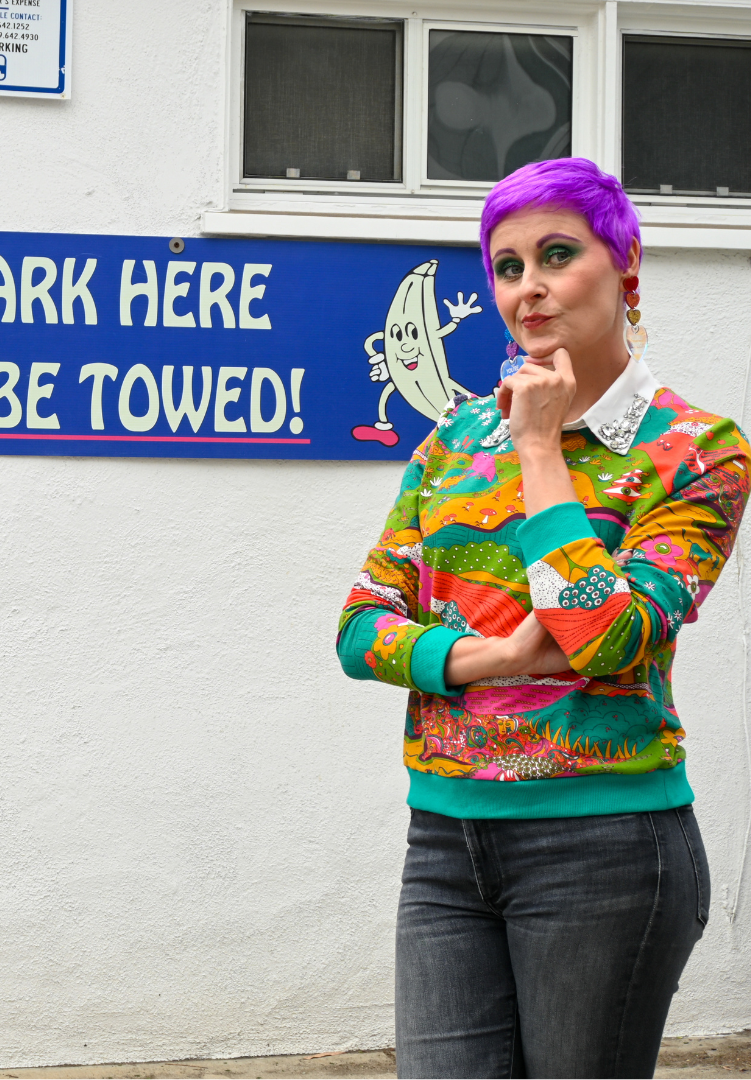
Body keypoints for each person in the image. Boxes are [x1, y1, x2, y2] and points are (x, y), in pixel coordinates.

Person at [336, 157, 751, 1079]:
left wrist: (539, 446)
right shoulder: (453, 442)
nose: (528, 288)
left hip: (604, 846)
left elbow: (606, 637)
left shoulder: (698, 450)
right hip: (445, 840)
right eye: (508, 266)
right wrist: (485, 658)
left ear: (625, 263)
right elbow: (360, 629)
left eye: (556, 255)